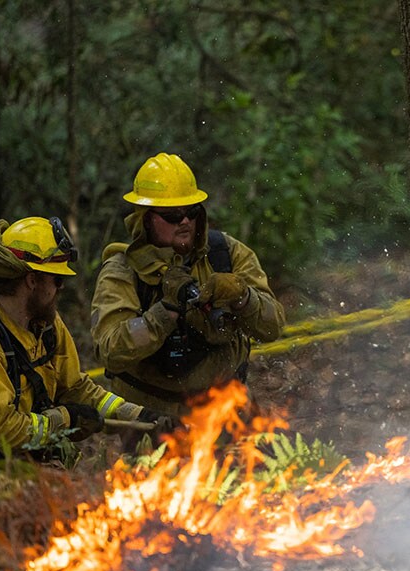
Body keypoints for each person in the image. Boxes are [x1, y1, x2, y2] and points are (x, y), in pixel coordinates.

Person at [0, 216, 159, 480]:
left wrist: (141, 417)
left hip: (32, 468)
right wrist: (66, 418)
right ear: (32, 280)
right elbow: (2, 433)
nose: (60, 289)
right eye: (57, 280)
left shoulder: (46, 325)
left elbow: (76, 388)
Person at [90, 152, 285, 417]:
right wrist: (164, 313)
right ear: (146, 218)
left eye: (192, 212)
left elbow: (273, 326)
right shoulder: (122, 271)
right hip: (154, 422)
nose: (184, 221)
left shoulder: (225, 254)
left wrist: (242, 298)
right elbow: (110, 350)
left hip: (224, 412)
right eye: (172, 215)